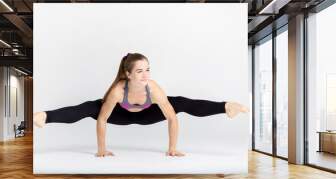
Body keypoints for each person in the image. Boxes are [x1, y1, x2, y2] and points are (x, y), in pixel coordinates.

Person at [33, 53, 249, 157]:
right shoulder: (118, 90)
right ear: (128, 74)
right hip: (122, 116)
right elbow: (102, 119)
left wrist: (172, 148)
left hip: (147, 115)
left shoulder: (153, 88)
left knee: (179, 102)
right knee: (92, 107)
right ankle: (45, 116)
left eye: (148, 69)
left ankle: (226, 107)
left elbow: (172, 117)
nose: (146, 74)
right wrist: (101, 150)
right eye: (139, 71)